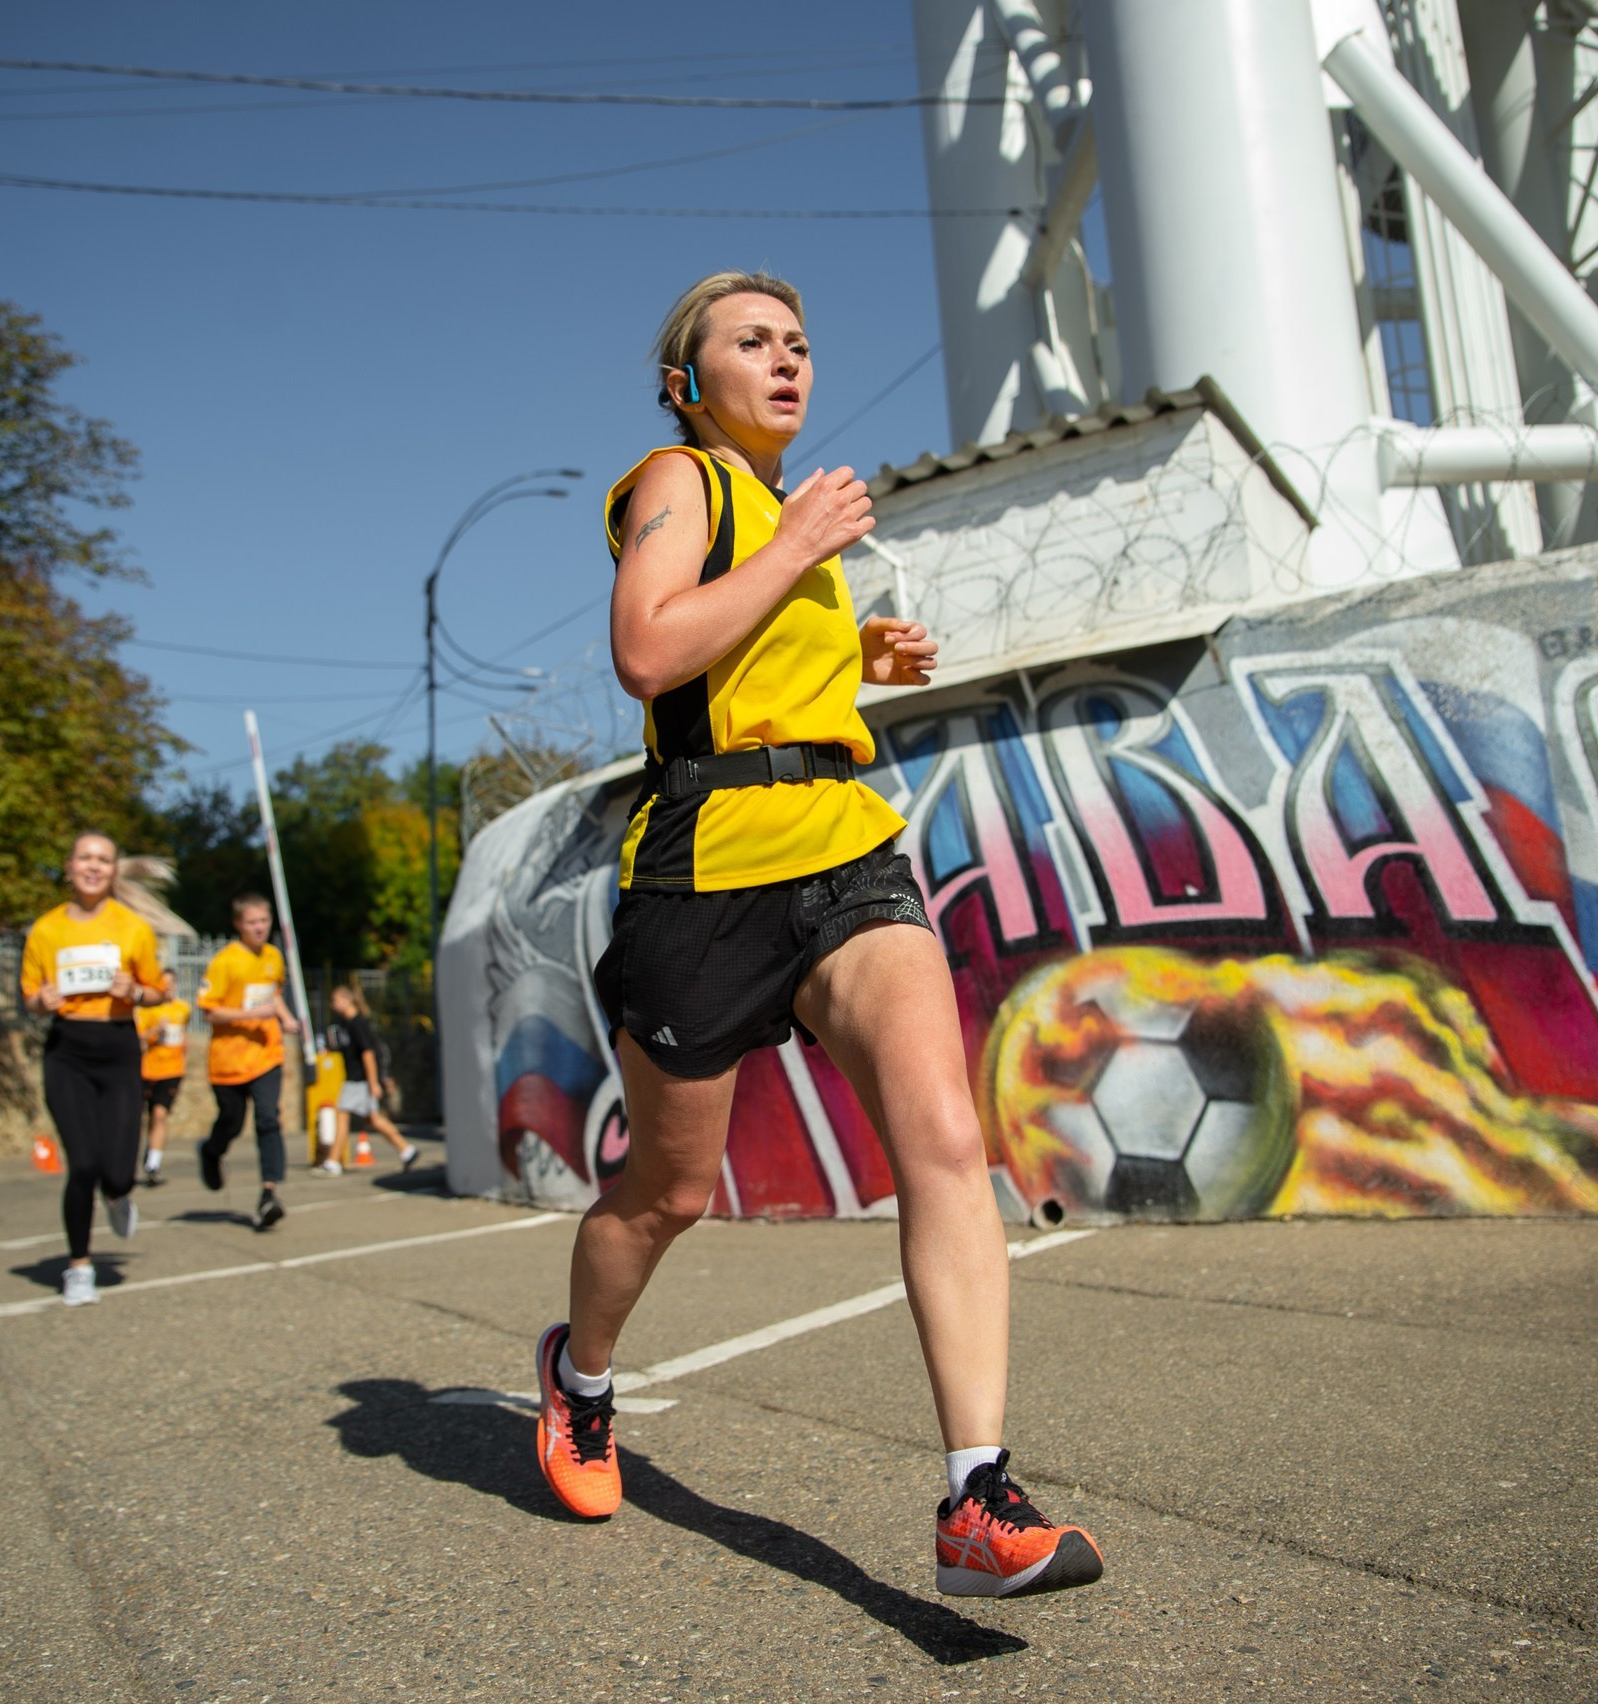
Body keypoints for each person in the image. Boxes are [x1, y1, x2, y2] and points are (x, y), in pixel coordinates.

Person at [532, 271, 1103, 1599]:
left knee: (948, 1141)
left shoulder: (796, 535)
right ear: (691, 377)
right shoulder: (684, 483)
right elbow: (647, 649)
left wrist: (857, 663)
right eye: (753, 341)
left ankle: (978, 1499)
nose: (787, 359)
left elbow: (762, 674)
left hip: (845, 845)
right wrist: (798, 553)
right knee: (669, 1193)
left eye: (798, 342)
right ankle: (581, 1375)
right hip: (705, 868)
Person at [20, 833, 168, 1306]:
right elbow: (29, 996)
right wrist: (39, 1002)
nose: (93, 866)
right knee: (82, 1163)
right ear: (68, 867)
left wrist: (136, 991)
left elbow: (159, 991)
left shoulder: (132, 928)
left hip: (118, 1048)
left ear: (114, 871)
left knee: (119, 1171)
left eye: (103, 859)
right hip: (68, 1051)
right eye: (85, 857)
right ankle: (79, 1266)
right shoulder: (45, 930)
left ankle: (119, 1195)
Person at [197, 893, 298, 1230]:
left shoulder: (273, 956)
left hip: (267, 1055)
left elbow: (274, 994)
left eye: (264, 921)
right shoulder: (225, 962)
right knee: (232, 1122)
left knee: (268, 1118)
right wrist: (249, 1014)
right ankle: (211, 1153)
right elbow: (209, 1011)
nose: (260, 928)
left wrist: (285, 1018)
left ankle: (269, 1194)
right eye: (252, 922)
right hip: (228, 1061)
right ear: (239, 924)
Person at [322, 984, 418, 1172]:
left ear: (346, 1000)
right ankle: (407, 1150)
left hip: (359, 1080)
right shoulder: (347, 1024)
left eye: (335, 1000)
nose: (332, 1005)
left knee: (342, 1115)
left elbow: (368, 1054)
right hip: (357, 1079)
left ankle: (332, 1162)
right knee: (373, 1119)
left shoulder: (358, 1023)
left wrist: (374, 1083)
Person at [134, 971, 191, 1186]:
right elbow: (138, 1037)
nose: (168, 989)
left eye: (171, 984)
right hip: (146, 1070)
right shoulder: (146, 1010)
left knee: (159, 1115)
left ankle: (153, 1164)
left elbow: (183, 1031)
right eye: (164, 985)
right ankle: (130, 1160)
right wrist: (155, 1031)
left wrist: (184, 1044)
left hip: (172, 1071)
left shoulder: (182, 1009)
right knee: (138, 1119)